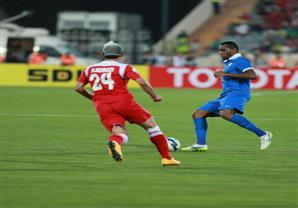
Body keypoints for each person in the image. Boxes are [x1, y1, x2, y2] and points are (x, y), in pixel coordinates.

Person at [75, 41, 181, 166]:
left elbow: (78, 88)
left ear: (104, 54)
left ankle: (115, 142)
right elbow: (141, 82)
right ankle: (167, 158)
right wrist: (154, 96)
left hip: (102, 105)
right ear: (121, 55)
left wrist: (92, 98)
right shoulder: (124, 67)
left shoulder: (89, 69)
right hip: (123, 102)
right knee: (152, 126)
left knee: (119, 131)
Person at [181, 41, 272, 152]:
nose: (220, 52)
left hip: (238, 93)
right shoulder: (229, 62)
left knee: (226, 113)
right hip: (225, 95)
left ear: (233, 50)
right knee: (198, 114)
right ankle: (201, 145)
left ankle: (263, 134)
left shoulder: (241, 60)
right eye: (220, 50)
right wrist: (223, 73)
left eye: (224, 50)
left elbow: (252, 75)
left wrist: (226, 74)